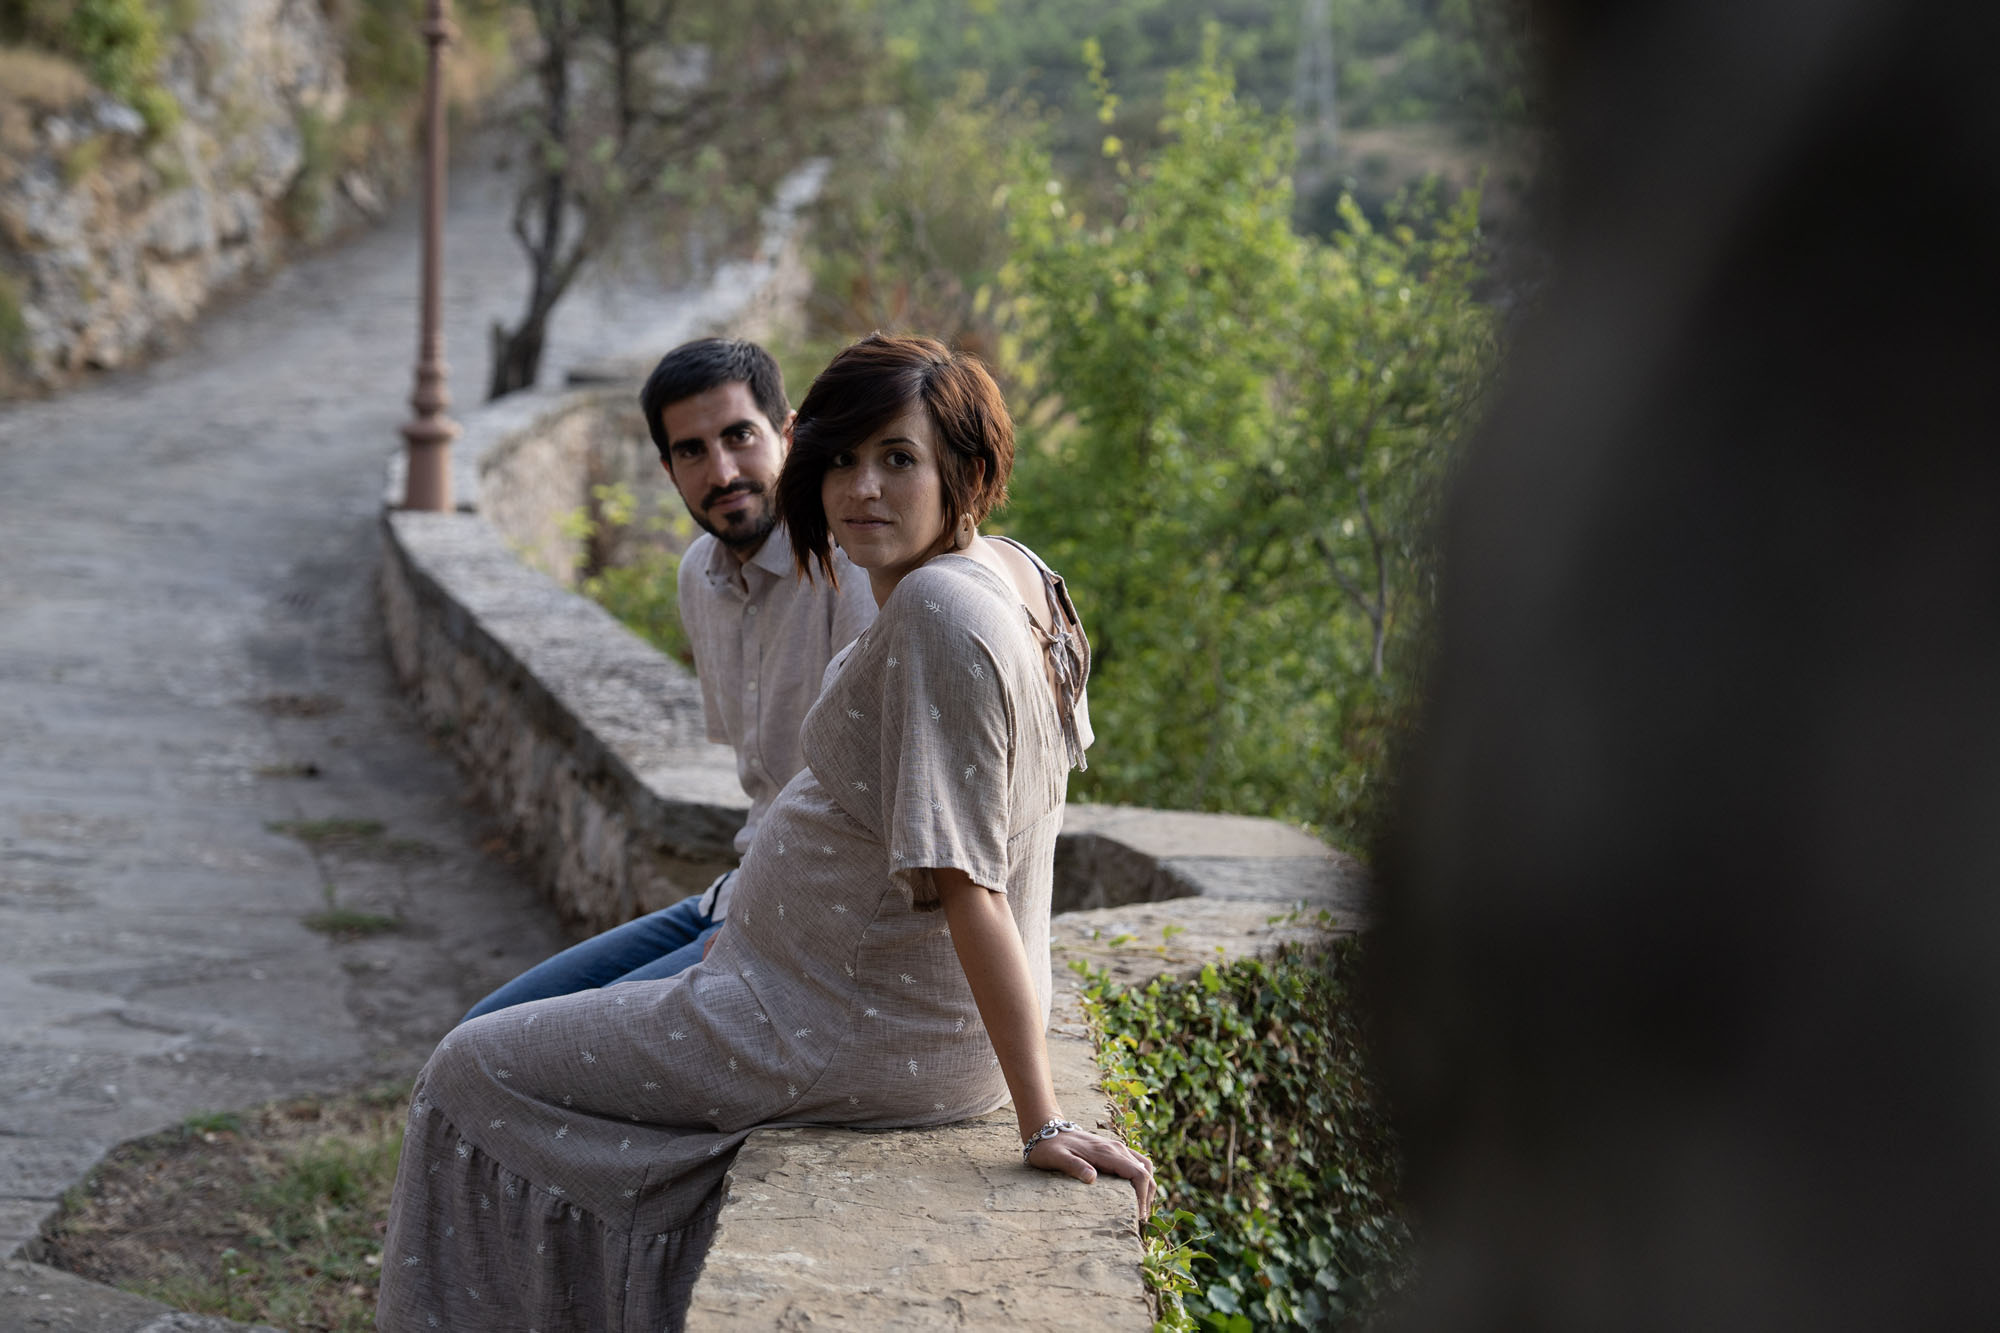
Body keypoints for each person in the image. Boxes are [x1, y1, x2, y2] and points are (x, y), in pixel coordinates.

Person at [378, 334, 1153, 1330]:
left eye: (897, 458)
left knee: (466, 1073)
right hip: (804, 978)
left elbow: (975, 881)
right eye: (842, 459)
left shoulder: (932, 607)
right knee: (494, 1048)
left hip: (823, 1017)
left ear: (967, 469)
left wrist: (1040, 1116)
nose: (861, 488)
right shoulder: (1003, 570)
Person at [460, 338, 876, 1021]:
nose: (722, 471)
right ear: (668, 469)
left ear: (788, 433)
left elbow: (871, 802)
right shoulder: (701, 577)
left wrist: (755, 938)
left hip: (813, 924)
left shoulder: (850, 566)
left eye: (739, 437)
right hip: (738, 893)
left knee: (542, 1049)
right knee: (483, 1026)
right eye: (691, 451)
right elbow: (767, 785)